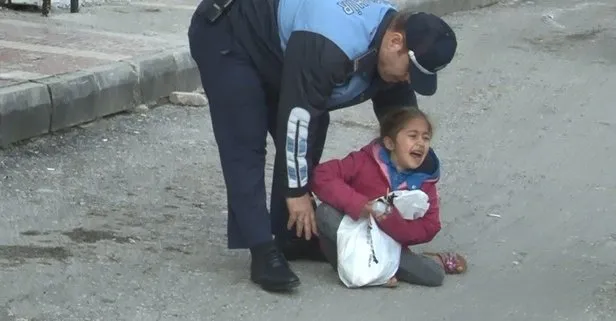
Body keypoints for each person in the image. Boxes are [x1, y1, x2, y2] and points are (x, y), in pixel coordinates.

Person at [187, 0, 458, 292]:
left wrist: (420, 175)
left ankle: (291, 236)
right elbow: (298, 118)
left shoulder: (390, 44)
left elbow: (403, 125)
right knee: (246, 139)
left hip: (281, 44)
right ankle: (262, 250)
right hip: (231, 34)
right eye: (410, 71)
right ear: (395, 42)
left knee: (315, 126)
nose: (407, 79)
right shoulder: (331, 44)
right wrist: (297, 192)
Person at [311, 107, 467, 288]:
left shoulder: (425, 181)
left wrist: (392, 222)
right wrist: (358, 204)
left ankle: (430, 262)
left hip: (388, 242)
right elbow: (322, 175)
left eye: (426, 138)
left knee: (434, 276)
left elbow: (430, 226)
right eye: (413, 136)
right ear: (390, 143)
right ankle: (375, 273)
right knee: (325, 212)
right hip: (355, 232)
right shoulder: (364, 161)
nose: (421, 143)